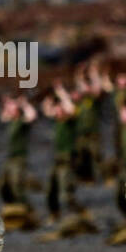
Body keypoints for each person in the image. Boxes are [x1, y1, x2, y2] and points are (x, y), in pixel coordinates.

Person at [41, 83, 81, 219]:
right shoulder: (57, 121)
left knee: (66, 190)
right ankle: (55, 213)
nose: (57, 111)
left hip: (68, 159)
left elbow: (71, 108)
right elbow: (46, 110)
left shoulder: (70, 121)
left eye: (59, 108)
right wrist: (49, 97)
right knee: (51, 189)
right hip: (57, 159)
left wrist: (61, 92)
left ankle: (74, 216)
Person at [0, 94, 37, 208]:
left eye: (12, 107)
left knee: (17, 184)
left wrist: (23, 104)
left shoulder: (22, 122)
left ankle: (26, 207)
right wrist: (9, 102)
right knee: (4, 185)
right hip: (9, 158)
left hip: (19, 158)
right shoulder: (11, 121)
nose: (9, 109)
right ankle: (11, 206)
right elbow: (3, 116)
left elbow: (32, 115)